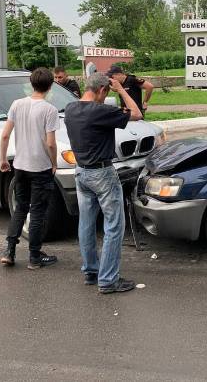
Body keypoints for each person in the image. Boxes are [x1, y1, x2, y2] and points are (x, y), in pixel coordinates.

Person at [64, 73, 143, 293]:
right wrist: (121, 89)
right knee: (114, 226)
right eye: (106, 92)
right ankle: (108, 280)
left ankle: (91, 271)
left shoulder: (70, 108)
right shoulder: (101, 111)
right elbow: (137, 113)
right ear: (102, 90)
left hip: (81, 172)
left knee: (86, 224)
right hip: (102, 173)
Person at [0, 67, 60, 270]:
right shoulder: (49, 110)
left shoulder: (17, 104)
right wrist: (53, 163)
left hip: (20, 166)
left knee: (20, 209)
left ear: (31, 84)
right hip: (40, 167)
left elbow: (5, 135)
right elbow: (50, 143)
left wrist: (3, 159)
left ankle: (9, 250)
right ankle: (34, 257)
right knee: (37, 212)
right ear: (50, 86)